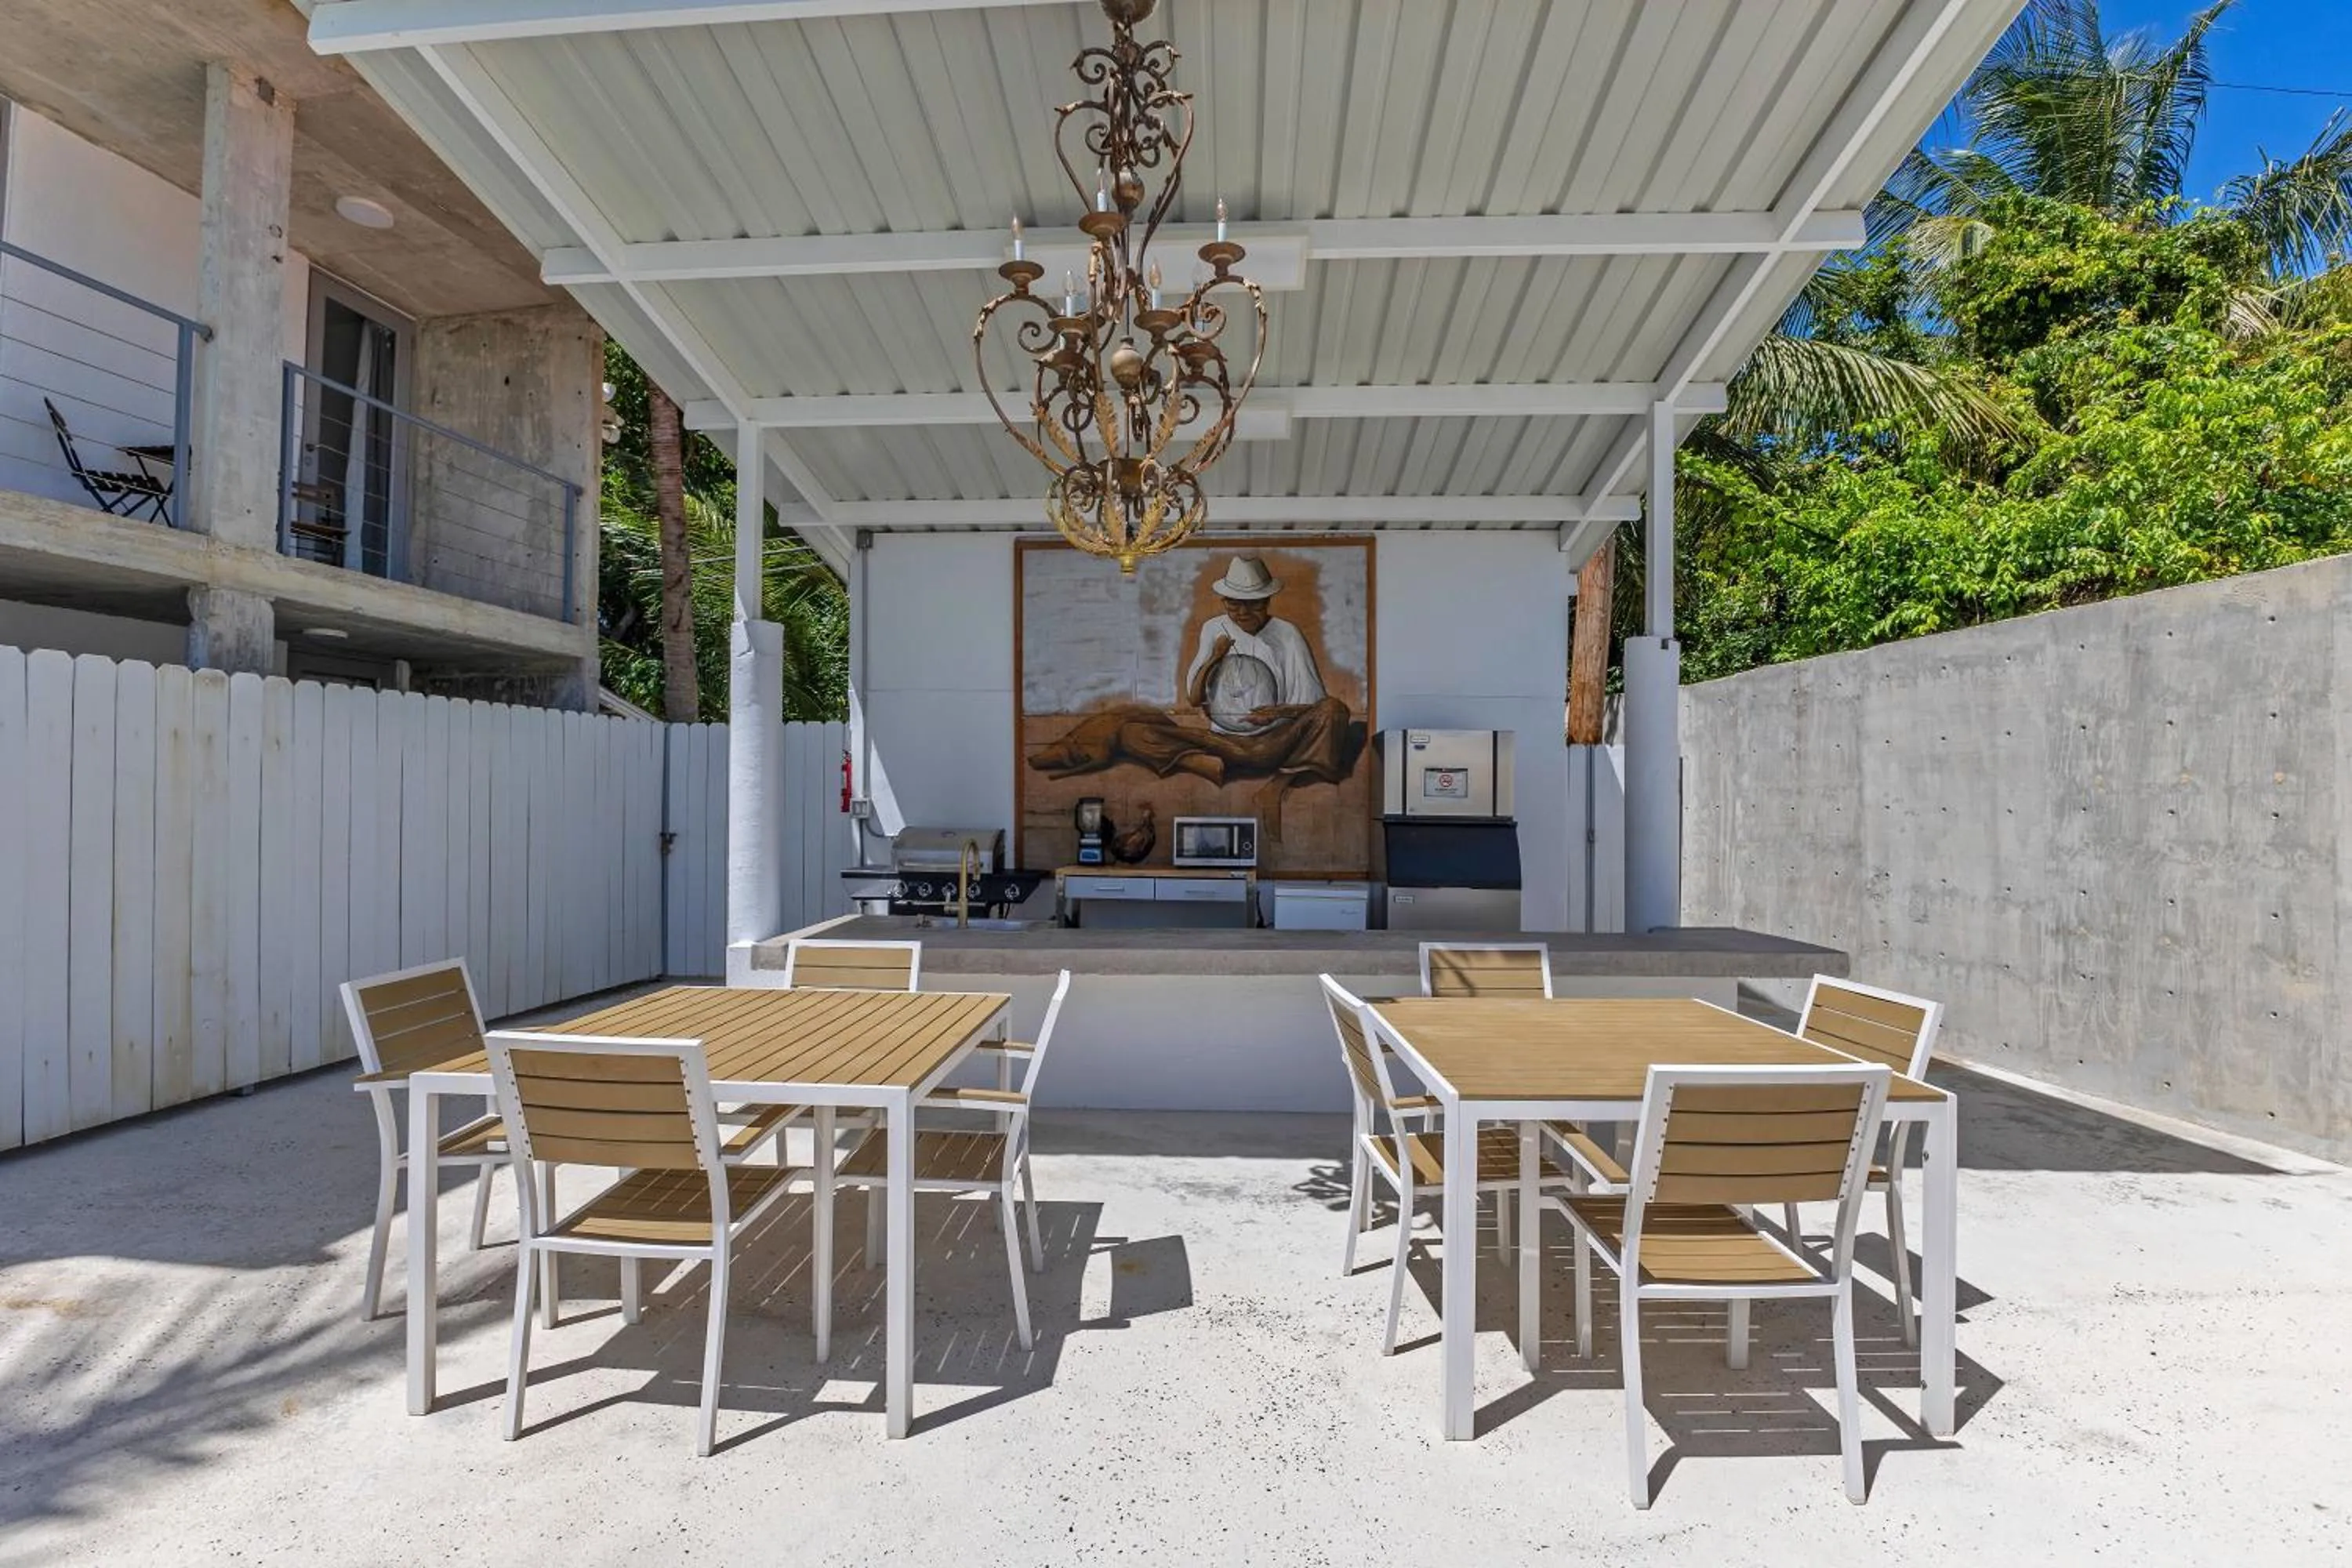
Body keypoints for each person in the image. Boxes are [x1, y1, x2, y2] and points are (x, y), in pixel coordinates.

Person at [1025, 554, 1363, 833]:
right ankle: (1203, 763)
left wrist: (1276, 713)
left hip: (1271, 742)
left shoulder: (1287, 635)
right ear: (1224, 601)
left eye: (1251, 604)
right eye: (1233, 604)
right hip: (1223, 740)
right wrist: (1215, 657)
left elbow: (1313, 706)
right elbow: (1194, 697)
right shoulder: (1214, 628)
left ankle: (1267, 777)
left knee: (1335, 710)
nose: (1242, 612)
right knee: (1132, 730)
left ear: (1267, 600)